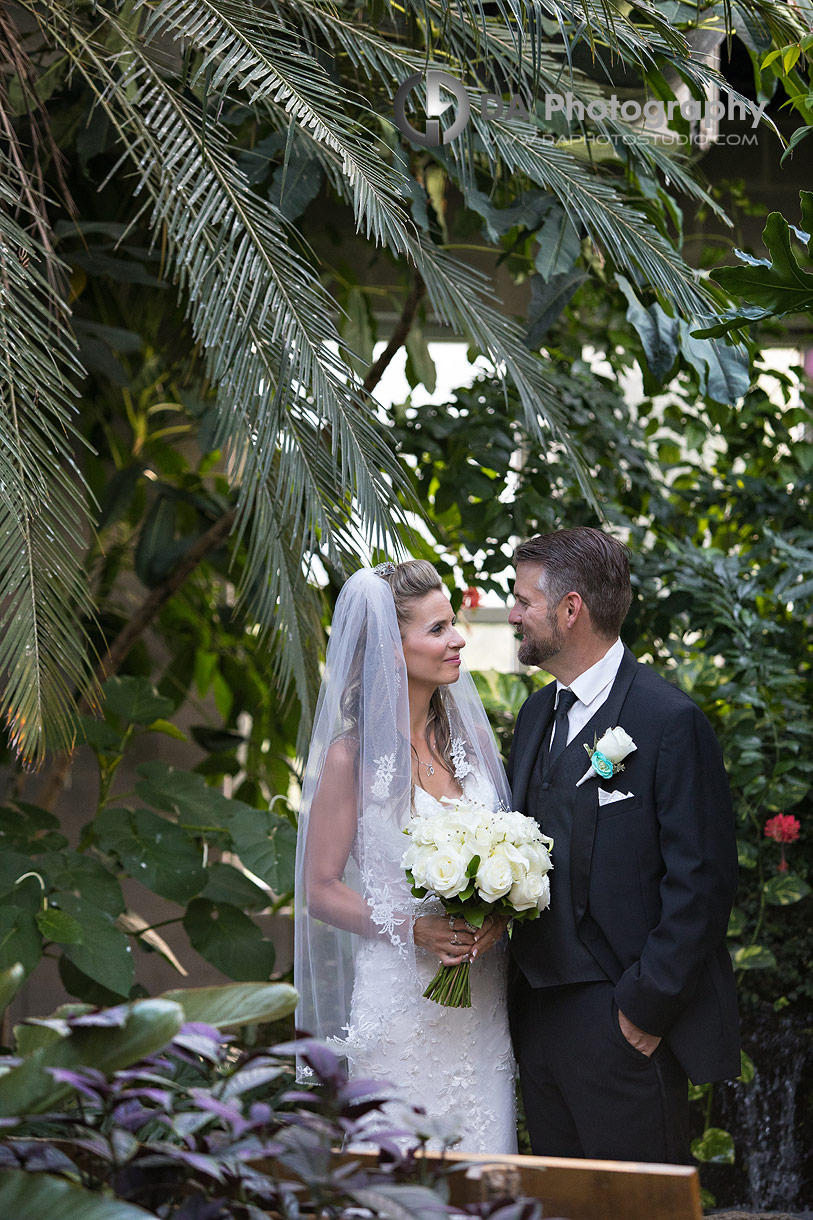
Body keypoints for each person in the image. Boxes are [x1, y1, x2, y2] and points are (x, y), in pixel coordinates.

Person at [506, 527, 740, 1164]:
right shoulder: (534, 716)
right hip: (535, 1012)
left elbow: (704, 881)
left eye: (523, 598)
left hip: (621, 1016)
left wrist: (644, 1009)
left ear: (570, 608)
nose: (512, 612)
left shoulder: (669, 722)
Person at [294, 560, 517, 1153]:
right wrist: (412, 928)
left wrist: (497, 913)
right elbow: (320, 889)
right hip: (400, 998)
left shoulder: (468, 742)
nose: (457, 639)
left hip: (479, 1000)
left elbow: (508, 853)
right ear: (393, 651)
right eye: (438, 629)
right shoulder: (351, 759)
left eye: (454, 624)